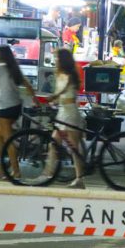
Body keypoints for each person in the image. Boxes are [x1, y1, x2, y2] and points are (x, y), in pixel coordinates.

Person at [0, 45, 36, 179]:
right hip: (16, 106)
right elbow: (28, 84)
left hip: (5, 107)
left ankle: (16, 171)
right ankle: (0, 169)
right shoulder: (14, 68)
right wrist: (35, 99)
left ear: (1, 55)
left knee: (7, 140)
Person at [49, 49, 84, 187]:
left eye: (57, 58)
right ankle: (48, 174)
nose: (55, 60)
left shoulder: (69, 75)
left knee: (73, 148)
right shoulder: (61, 74)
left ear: (63, 60)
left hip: (69, 113)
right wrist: (54, 101)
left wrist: (53, 97)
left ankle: (79, 178)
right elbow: (61, 93)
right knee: (53, 143)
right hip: (63, 112)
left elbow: (63, 89)